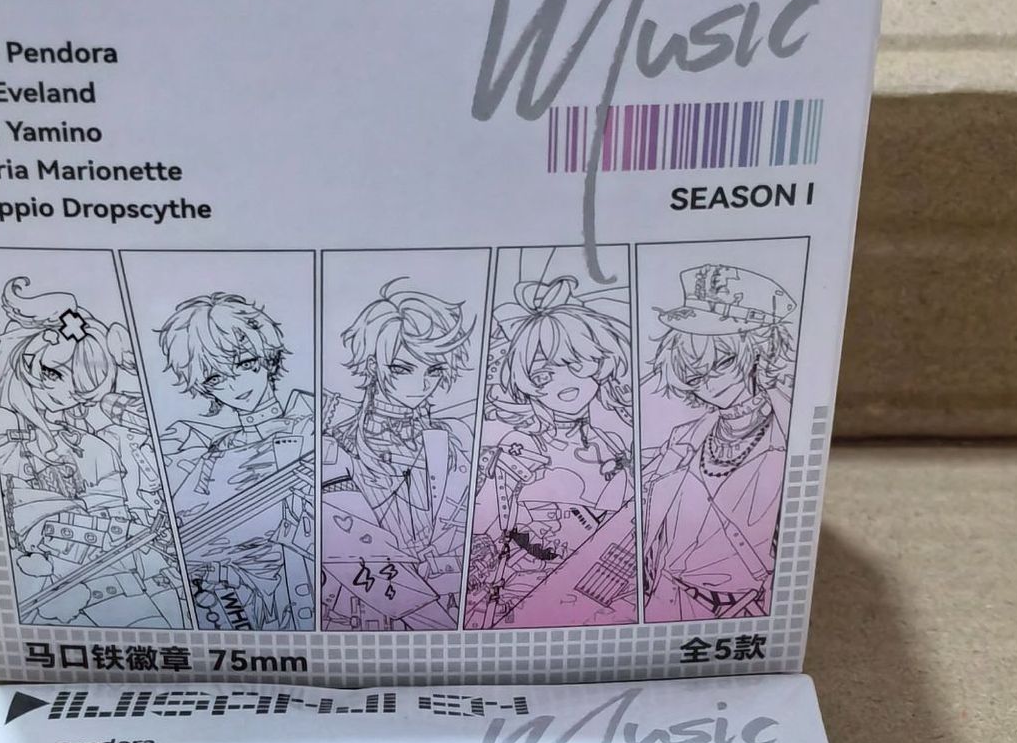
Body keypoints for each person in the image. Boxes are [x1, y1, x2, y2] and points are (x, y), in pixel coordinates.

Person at [0, 274, 185, 628]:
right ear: (32, 365)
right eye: (60, 378)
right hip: (34, 578)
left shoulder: (95, 447)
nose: (71, 398)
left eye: (83, 391)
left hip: (101, 580)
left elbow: (111, 515)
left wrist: (147, 532)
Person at [466, 262, 637, 628]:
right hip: (522, 606)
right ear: (523, 380)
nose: (565, 382)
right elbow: (482, 536)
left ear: (601, 364)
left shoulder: (616, 444)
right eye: (544, 373)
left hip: (607, 605)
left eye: (577, 364)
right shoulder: (517, 448)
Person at [640, 263, 797, 621]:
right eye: (694, 374)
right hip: (665, 602)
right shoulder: (684, 439)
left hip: (743, 614)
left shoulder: (789, 435)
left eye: (722, 362)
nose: (708, 382)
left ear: (760, 349)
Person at [320, 278, 476, 629]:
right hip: (366, 613)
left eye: (434, 370)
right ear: (371, 365)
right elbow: (352, 551)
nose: (421, 384)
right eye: (402, 368)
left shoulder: (453, 437)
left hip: (451, 600)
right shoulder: (336, 445)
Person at [154, 291, 314, 631]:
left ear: (268, 357)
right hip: (232, 601)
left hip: (299, 594)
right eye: (215, 378)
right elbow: (182, 530)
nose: (235, 384)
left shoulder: (310, 426)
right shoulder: (216, 450)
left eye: (244, 363)